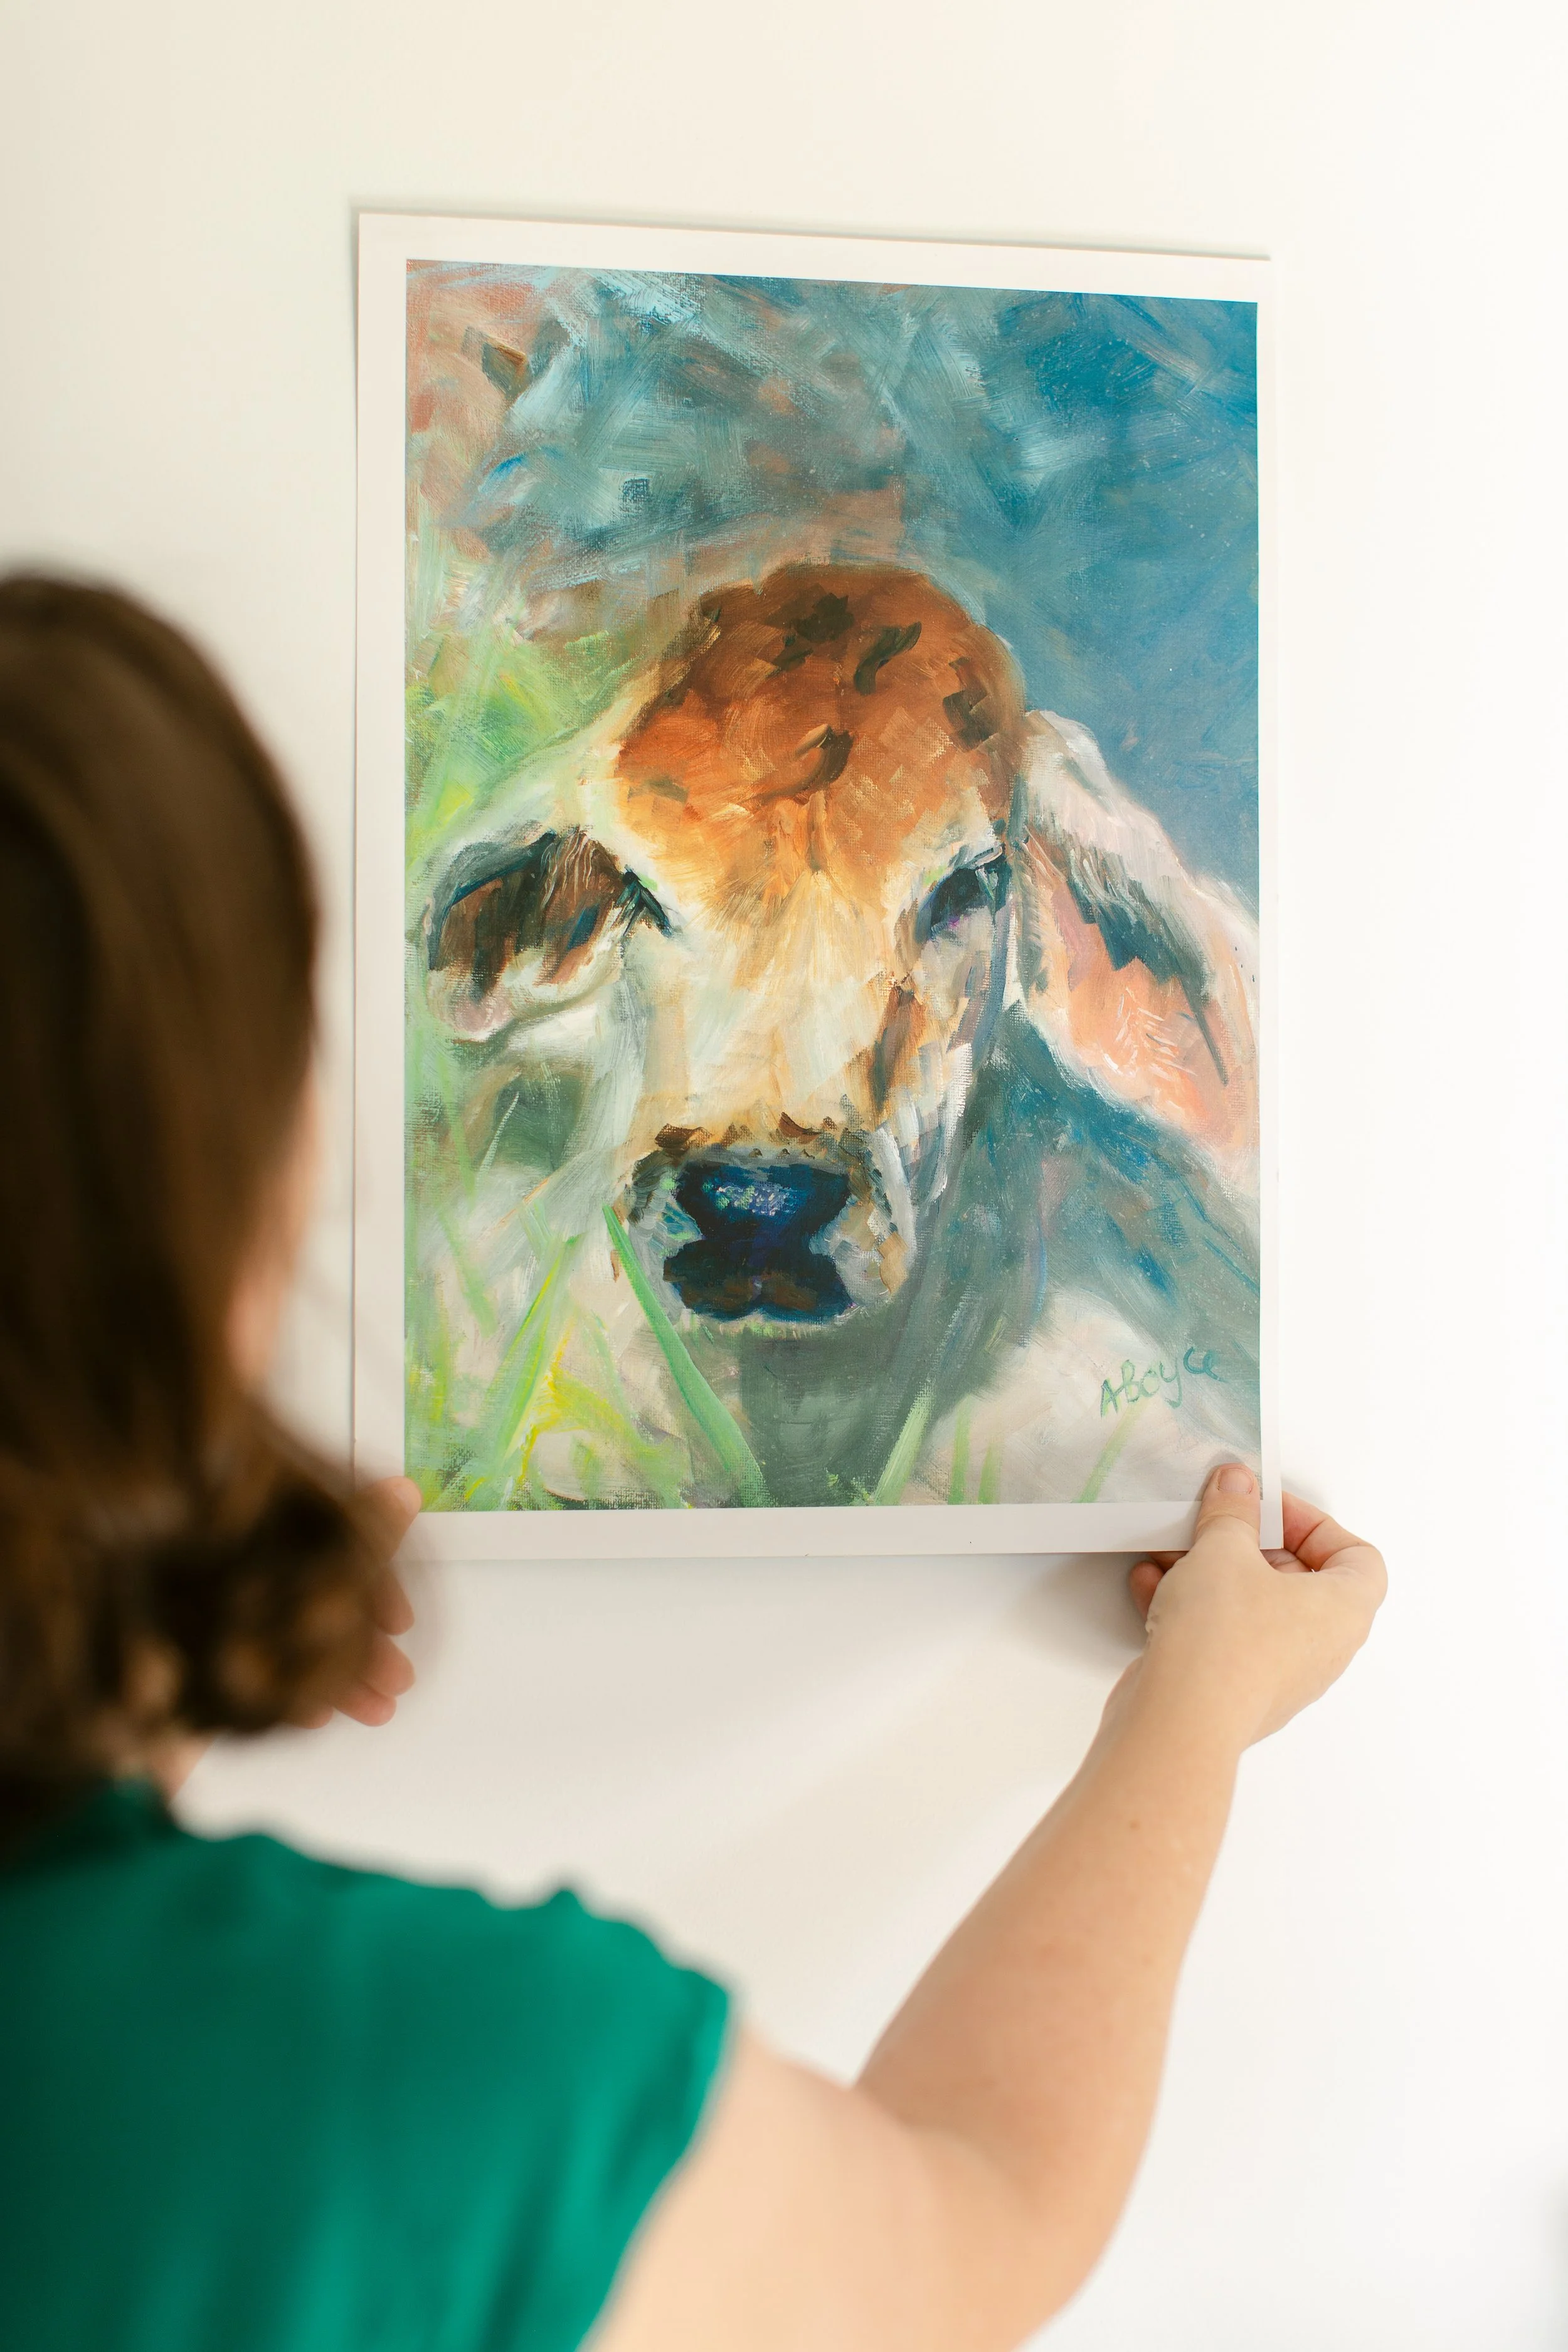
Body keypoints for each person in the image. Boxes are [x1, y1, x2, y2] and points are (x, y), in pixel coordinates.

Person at [0, 575, 1385, 2352]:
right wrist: (1194, 1699)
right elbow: (977, 2219)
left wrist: (145, 1647)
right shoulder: (415, 2079)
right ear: (240, 1209)